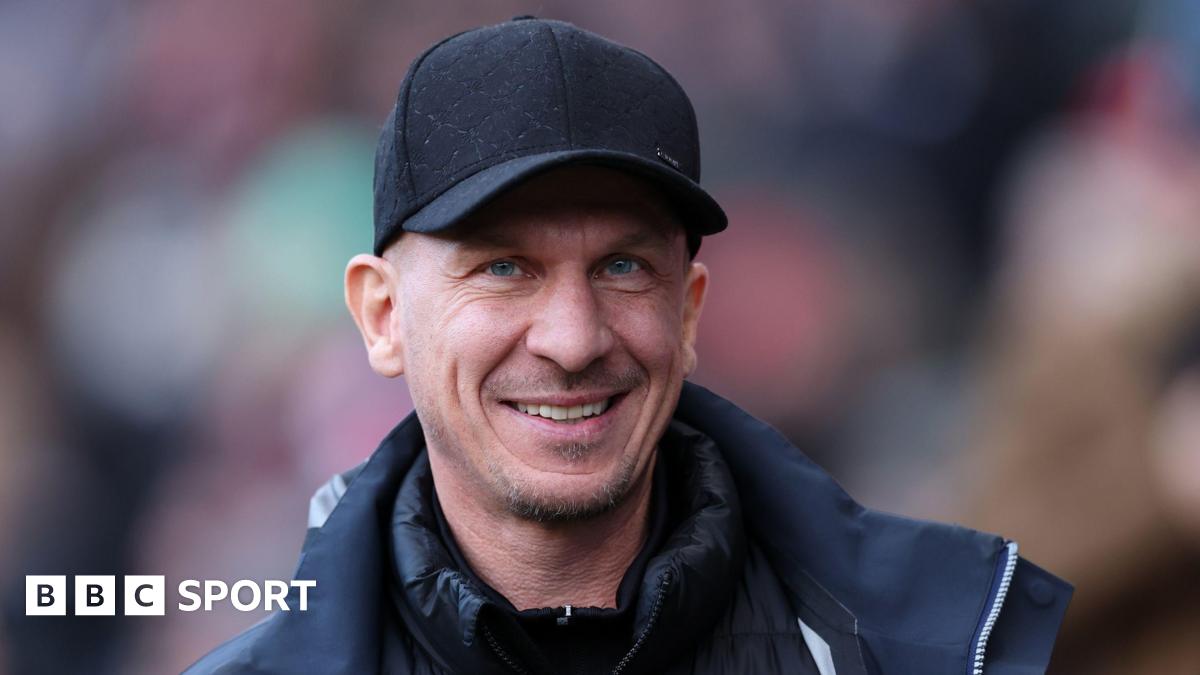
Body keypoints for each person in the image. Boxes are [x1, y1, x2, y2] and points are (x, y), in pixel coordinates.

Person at [187, 17, 1071, 674]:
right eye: (503, 267)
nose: (573, 340)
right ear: (382, 316)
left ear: (688, 314)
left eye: (620, 266)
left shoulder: (946, 647)